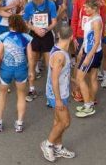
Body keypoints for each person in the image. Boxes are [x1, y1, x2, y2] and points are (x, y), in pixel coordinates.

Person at [0, 14, 31, 134]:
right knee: (21, 95)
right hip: (21, 70)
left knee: (2, 94)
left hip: (5, 70)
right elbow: (30, 56)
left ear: (10, 24)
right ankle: (19, 123)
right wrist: (30, 70)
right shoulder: (27, 37)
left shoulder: (3, 37)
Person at [41, 25, 75, 162]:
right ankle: (48, 144)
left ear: (59, 35)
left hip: (62, 92)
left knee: (58, 121)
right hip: (57, 94)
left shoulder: (58, 49)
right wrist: (58, 99)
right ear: (72, 37)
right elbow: (54, 80)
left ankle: (58, 147)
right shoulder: (60, 56)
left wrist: (72, 80)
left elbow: (59, 74)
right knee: (66, 122)